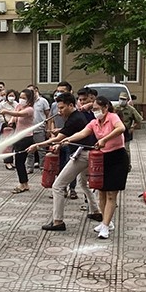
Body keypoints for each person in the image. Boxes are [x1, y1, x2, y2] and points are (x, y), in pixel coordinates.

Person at [29, 92, 102, 231]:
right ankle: (96, 211)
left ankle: (58, 222)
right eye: (58, 108)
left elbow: (59, 138)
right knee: (82, 183)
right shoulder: (76, 117)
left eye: (62, 108)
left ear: (71, 105)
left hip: (83, 155)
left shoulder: (74, 119)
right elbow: (69, 133)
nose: (59, 111)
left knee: (58, 186)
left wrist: (37, 145)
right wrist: (60, 134)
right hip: (88, 154)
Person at [61, 96, 127, 240]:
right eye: (93, 109)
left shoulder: (113, 117)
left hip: (117, 158)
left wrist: (104, 139)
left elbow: (121, 128)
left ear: (105, 107)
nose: (95, 112)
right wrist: (68, 139)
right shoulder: (94, 122)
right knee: (102, 193)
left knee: (111, 194)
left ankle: (105, 226)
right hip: (102, 158)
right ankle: (106, 222)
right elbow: (83, 133)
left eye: (97, 109)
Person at [0, 88, 36, 194]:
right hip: (18, 137)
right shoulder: (19, 106)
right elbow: (15, 116)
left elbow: (19, 115)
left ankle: (23, 184)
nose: (21, 100)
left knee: (19, 162)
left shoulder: (30, 109)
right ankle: (24, 183)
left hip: (26, 138)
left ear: (29, 100)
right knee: (19, 162)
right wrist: (11, 122)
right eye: (20, 97)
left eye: (24, 98)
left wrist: (6, 111)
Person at [115, 91, 142, 171]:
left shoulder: (131, 109)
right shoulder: (115, 107)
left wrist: (132, 127)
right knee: (116, 149)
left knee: (126, 149)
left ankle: (127, 165)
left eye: (123, 99)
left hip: (126, 131)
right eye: (120, 99)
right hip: (116, 131)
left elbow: (139, 119)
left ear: (127, 100)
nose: (122, 101)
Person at [27, 85, 50, 173]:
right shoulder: (27, 102)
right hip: (29, 130)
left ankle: (43, 167)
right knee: (29, 151)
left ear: (36, 90)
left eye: (31, 91)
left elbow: (48, 114)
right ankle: (29, 167)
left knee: (41, 150)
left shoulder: (43, 101)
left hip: (40, 129)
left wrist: (47, 127)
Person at [0, 90, 19, 170]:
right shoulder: (2, 104)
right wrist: (6, 121)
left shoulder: (17, 104)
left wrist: (14, 121)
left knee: (13, 144)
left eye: (13, 95)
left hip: (15, 125)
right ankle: (7, 162)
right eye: (9, 95)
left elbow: (18, 114)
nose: (11, 97)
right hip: (6, 124)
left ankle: (11, 161)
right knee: (7, 144)